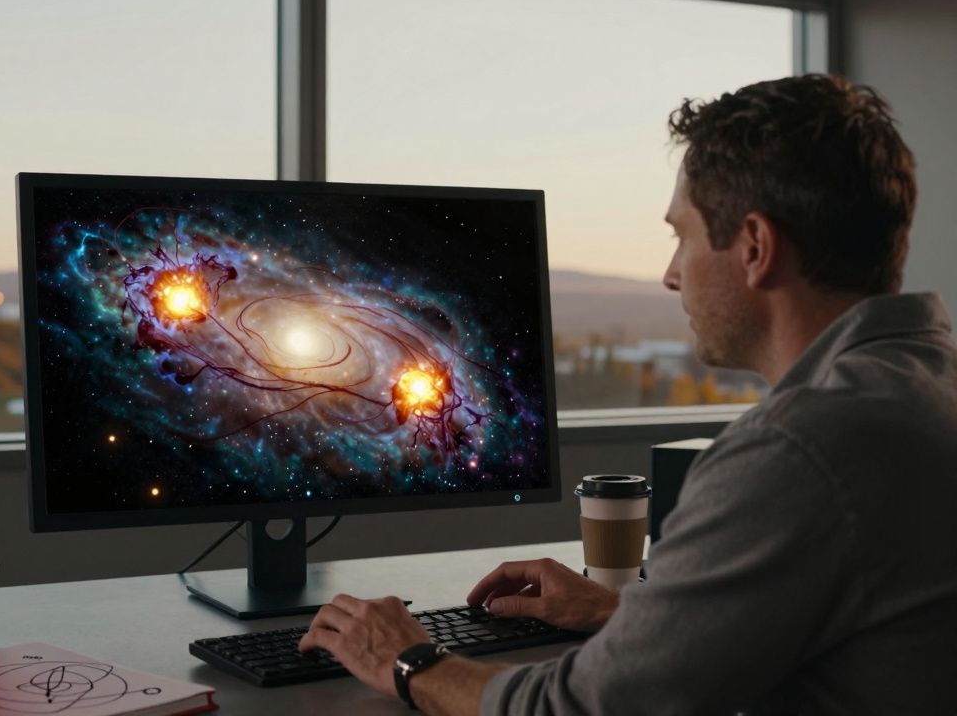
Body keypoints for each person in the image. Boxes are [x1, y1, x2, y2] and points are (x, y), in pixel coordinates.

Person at [299, 74, 957, 714]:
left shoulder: (801, 449)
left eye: (682, 235)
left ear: (755, 247)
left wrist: (409, 661)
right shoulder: (925, 387)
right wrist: (626, 613)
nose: (671, 275)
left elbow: (578, 707)